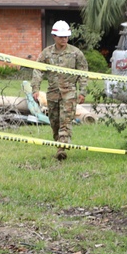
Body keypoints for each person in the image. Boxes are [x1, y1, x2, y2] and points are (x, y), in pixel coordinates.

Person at [31, 20, 88, 160]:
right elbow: (38, 70)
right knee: (54, 121)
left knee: (66, 120)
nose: (64, 39)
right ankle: (59, 143)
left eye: (66, 36)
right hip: (53, 92)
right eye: (61, 36)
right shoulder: (46, 53)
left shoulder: (76, 53)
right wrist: (35, 88)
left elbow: (83, 72)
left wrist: (82, 92)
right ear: (54, 36)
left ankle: (62, 147)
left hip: (69, 92)